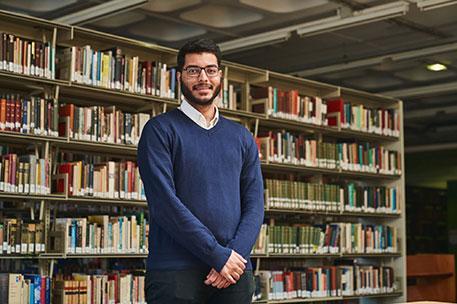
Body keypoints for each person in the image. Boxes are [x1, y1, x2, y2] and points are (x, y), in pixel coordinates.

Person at [137, 38, 264, 304]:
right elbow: (165, 204)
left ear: (221, 75)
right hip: (175, 272)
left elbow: (255, 205)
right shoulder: (160, 130)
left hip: (234, 272)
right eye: (193, 70)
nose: (203, 78)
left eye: (210, 70)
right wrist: (218, 256)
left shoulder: (241, 136)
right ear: (180, 76)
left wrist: (233, 257)